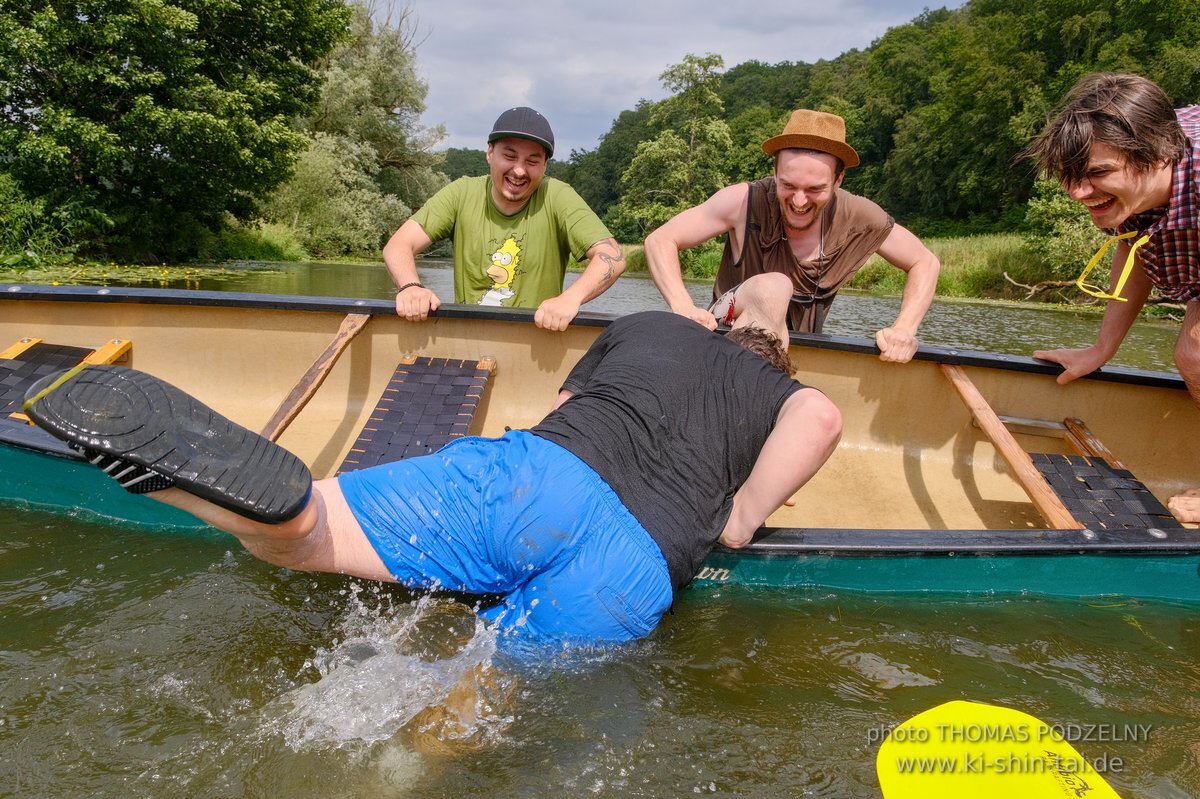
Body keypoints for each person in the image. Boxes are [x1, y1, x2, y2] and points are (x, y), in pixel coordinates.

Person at [23, 312, 842, 645]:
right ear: (769, 367)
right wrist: (739, 513)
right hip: (636, 565)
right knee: (478, 702)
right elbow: (823, 423)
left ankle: (183, 484)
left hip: (540, 482)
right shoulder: (782, 398)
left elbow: (559, 405)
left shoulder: (649, 324)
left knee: (309, 534)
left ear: (721, 326)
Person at [1024, 72, 1200, 524]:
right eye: (1071, 177)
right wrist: (1102, 349)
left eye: (1098, 174)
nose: (1079, 194)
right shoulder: (1134, 187)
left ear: (1161, 153)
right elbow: (1135, 242)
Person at [643, 109, 940, 361]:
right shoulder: (742, 202)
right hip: (723, 337)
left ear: (838, 179)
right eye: (788, 185)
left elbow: (924, 262)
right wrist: (682, 306)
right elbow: (660, 240)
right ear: (775, 172)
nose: (799, 201)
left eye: (814, 190)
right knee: (775, 287)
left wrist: (904, 328)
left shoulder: (861, 217)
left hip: (794, 351)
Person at [383, 106, 624, 331]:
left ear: (545, 165)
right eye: (509, 156)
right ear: (490, 153)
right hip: (467, 343)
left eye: (532, 161)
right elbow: (399, 244)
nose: (519, 170)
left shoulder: (557, 195)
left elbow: (612, 256)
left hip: (537, 343)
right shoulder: (461, 193)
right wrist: (410, 287)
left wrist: (570, 299)